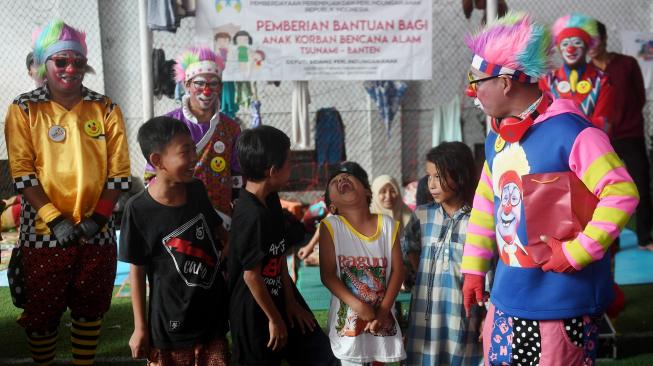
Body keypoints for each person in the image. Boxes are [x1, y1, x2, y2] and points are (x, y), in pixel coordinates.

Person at [462, 12, 638, 365]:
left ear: (506, 82)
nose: (471, 91)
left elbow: (621, 192)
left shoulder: (573, 132)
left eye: (476, 80)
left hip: (561, 307)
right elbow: (486, 200)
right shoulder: (497, 136)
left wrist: (578, 252)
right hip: (507, 299)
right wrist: (473, 267)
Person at [4, 19, 131, 365]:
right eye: (61, 61)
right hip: (43, 234)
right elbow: (23, 174)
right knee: (42, 316)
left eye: (77, 62)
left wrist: (98, 219)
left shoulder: (105, 109)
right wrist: (54, 220)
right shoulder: (23, 109)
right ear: (45, 64)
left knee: (90, 311)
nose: (70, 69)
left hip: (97, 232)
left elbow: (119, 174)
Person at [120, 117, 230, 366]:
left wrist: (228, 249)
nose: (194, 157)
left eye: (194, 148)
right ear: (157, 161)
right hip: (169, 326)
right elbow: (136, 272)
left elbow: (220, 232)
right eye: (185, 152)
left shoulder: (197, 190)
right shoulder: (137, 209)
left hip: (211, 318)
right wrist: (140, 328)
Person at [228, 125, 338, 366]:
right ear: (273, 171)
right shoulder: (251, 215)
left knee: (322, 355)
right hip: (255, 313)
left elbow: (277, 260)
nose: (293, 167)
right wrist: (275, 319)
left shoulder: (271, 200)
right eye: (289, 162)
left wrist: (291, 303)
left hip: (280, 298)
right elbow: (251, 277)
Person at [403, 142, 483, 365]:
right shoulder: (422, 216)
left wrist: (486, 315)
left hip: (463, 313)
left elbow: (490, 269)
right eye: (429, 177)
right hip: (425, 314)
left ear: (460, 175)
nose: (432, 184)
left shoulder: (478, 220)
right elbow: (409, 247)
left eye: (438, 176)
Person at [143, 47, 242, 228]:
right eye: (200, 83)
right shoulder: (169, 123)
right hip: (176, 216)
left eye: (213, 84)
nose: (207, 90)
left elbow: (237, 176)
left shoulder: (231, 128)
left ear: (220, 87)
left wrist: (238, 214)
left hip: (221, 219)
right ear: (187, 85)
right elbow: (151, 174)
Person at [319, 161, 406, 365]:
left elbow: (398, 271)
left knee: (378, 359)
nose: (342, 179)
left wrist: (383, 312)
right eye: (335, 181)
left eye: (348, 177)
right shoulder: (331, 227)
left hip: (382, 318)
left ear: (367, 192)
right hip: (349, 326)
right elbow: (328, 275)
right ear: (332, 205)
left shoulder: (387, 224)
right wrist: (358, 306)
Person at [591, 20, 653, 251]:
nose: (592, 45)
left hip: (630, 133)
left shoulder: (627, 63)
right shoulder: (587, 73)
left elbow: (640, 97)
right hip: (601, 140)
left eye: (596, 39)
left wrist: (625, 120)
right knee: (603, 191)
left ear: (605, 39)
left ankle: (645, 238)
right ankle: (611, 242)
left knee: (641, 184)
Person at [540, 13, 614, 133]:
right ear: (560, 49)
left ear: (586, 47)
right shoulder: (547, 80)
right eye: (565, 44)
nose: (571, 48)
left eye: (577, 43)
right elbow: (543, 120)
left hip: (591, 143)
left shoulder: (602, 80)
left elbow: (603, 123)